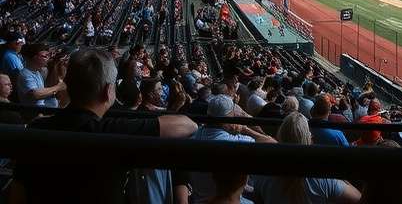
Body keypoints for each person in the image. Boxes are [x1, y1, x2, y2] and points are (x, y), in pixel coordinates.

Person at [9, 48, 198, 204]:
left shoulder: (36, 129)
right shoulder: (113, 131)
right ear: (108, 91)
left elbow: (16, 196)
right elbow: (188, 125)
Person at [251, 112, 361, 203]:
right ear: (309, 139)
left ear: (279, 136)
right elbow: (358, 198)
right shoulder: (324, 178)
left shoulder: (263, 170)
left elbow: (258, 199)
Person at [190, 95, 276, 203]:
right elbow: (273, 143)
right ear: (229, 116)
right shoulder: (237, 142)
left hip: (199, 200)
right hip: (229, 200)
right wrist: (245, 129)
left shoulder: (195, 135)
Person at [16, 43, 64, 108]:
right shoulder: (25, 74)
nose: (48, 58)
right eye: (45, 56)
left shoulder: (37, 72)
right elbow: (36, 94)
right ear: (35, 57)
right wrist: (58, 87)